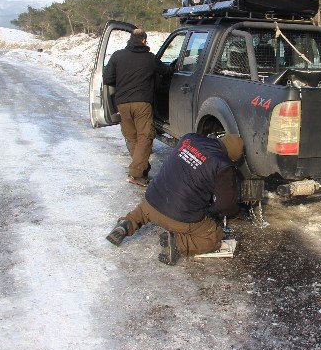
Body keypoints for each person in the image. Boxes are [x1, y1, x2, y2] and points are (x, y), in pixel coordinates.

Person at [106, 133, 244, 265]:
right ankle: (178, 243)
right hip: (180, 216)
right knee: (214, 237)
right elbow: (225, 205)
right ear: (231, 157)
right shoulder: (223, 164)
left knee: (142, 212)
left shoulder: (189, 138)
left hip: (152, 199)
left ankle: (127, 224)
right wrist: (237, 212)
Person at [103, 28, 174, 186]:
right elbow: (166, 71)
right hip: (142, 103)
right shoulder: (149, 58)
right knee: (145, 136)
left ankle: (142, 169)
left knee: (132, 137)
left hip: (122, 104)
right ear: (143, 40)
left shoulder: (117, 56)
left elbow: (107, 78)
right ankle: (136, 174)